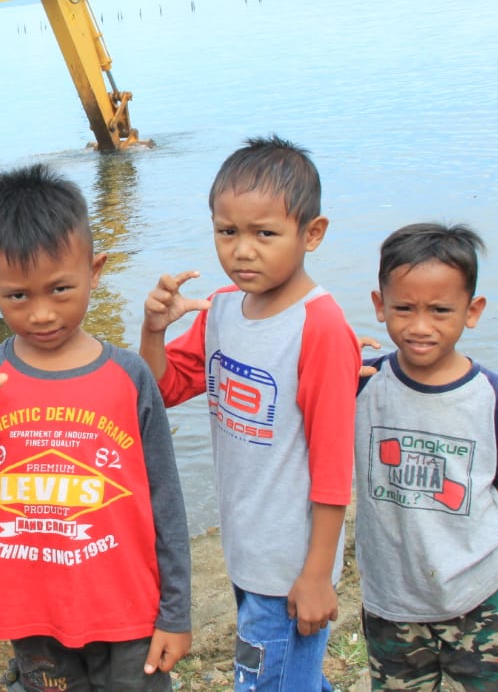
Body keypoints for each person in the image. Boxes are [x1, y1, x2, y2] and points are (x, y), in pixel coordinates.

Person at [0, 163, 192, 692]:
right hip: (36, 621)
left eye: (60, 289)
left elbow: (165, 499)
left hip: (130, 615)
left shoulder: (129, 376)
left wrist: (176, 612)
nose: (42, 314)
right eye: (17, 296)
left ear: (95, 271)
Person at [138, 135, 359, 692]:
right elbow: (164, 389)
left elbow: (334, 465)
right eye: (227, 231)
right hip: (246, 546)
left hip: (290, 564)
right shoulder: (221, 310)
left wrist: (317, 574)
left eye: (265, 234)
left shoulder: (320, 328)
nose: (242, 251)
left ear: (312, 233)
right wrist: (154, 331)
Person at [354, 223, 498, 690]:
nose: (420, 326)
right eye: (404, 308)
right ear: (380, 305)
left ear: (473, 311)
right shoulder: (363, 386)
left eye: (440, 310)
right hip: (390, 601)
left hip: (475, 598)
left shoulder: (493, 397)